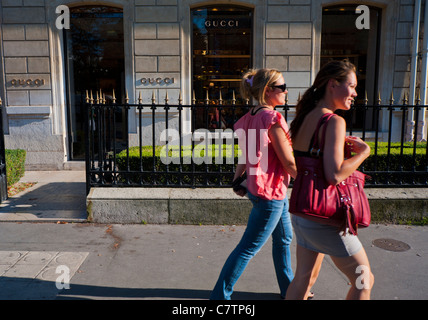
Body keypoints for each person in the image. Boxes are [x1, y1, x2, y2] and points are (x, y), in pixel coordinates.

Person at [285, 60, 374, 300]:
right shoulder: (334, 121)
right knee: (364, 280)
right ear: (333, 84)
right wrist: (364, 153)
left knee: (304, 278)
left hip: (303, 210)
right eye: (352, 86)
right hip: (325, 216)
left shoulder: (305, 116)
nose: (355, 93)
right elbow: (334, 175)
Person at [210, 68, 297, 300]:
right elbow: (288, 161)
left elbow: (246, 156)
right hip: (271, 192)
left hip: (261, 189)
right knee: (248, 247)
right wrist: (312, 181)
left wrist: (236, 180)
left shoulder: (249, 117)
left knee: (283, 239)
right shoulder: (272, 118)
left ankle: (290, 291)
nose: (286, 91)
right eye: (282, 87)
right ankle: (220, 297)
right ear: (268, 91)